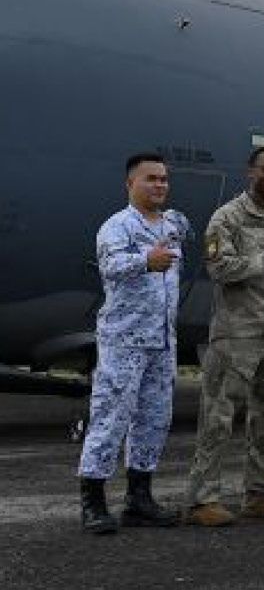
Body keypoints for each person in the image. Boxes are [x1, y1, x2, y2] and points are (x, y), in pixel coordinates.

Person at [184, 147, 264, 526]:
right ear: (250, 171)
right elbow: (217, 267)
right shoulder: (227, 217)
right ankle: (203, 500)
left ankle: (260, 494)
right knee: (218, 415)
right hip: (236, 335)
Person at [77, 152, 189, 534]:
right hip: (124, 340)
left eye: (163, 179)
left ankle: (139, 499)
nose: (159, 185)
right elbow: (108, 266)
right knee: (110, 418)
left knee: (155, 419)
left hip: (161, 340)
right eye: (150, 179)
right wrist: (146, 259)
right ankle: (92, 502)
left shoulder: (174, 224)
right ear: (130, 184)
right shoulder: (118, 226)